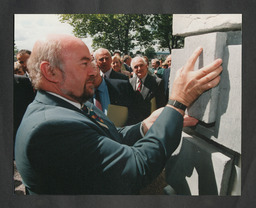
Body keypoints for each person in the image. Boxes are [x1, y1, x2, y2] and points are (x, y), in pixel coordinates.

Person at [15, 34, 222, 195]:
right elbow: (137, 167)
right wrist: (178, 102)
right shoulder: (50, 129)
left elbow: (109, 136)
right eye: (85, 63)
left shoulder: (70, 105)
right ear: (50, 71)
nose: (94, 71)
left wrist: (145, 126)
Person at [128, 56, 166, 124]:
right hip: (132, 123)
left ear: (146, 66)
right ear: (132, 69)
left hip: (149, 123)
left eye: (141, 65)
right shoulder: (130, 82)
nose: (139, 68)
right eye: (136, 67)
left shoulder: (157, 82)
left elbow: (160, 106)